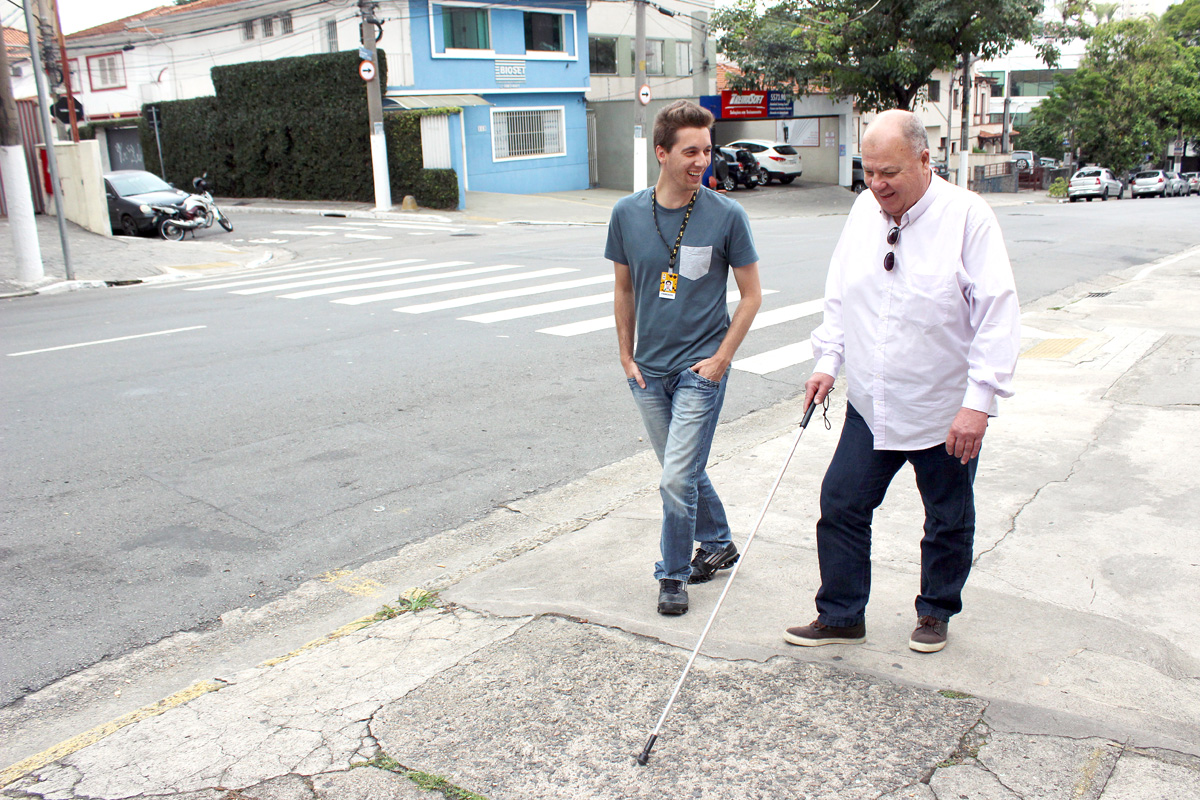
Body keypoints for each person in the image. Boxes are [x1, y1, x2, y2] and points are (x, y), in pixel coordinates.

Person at [784, 109, 1019, 652]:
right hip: (873, 399)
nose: (877, 184)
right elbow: (841, 294)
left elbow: (997, 312)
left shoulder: (968, 217)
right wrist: (827, 361)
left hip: (945, 408)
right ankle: (842, 614)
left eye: (889, 172)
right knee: (841, 503)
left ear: (924, 159)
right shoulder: (865, 210)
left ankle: (935, 612)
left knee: (947, 516)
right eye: (869, 171)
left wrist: (978, 403)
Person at [606, 100, 763, 616]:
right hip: (648, 372)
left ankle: (672, 575)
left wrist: (720, 360)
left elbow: (751, 295)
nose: (702, 161)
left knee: (676, 476)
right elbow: (624, 288)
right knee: (684, 470)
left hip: (700, 370)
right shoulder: (627, 213)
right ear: (662, 153)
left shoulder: (725, 215)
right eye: (690, 151)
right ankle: (718, 540)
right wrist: (625, 356)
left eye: (707, 150)